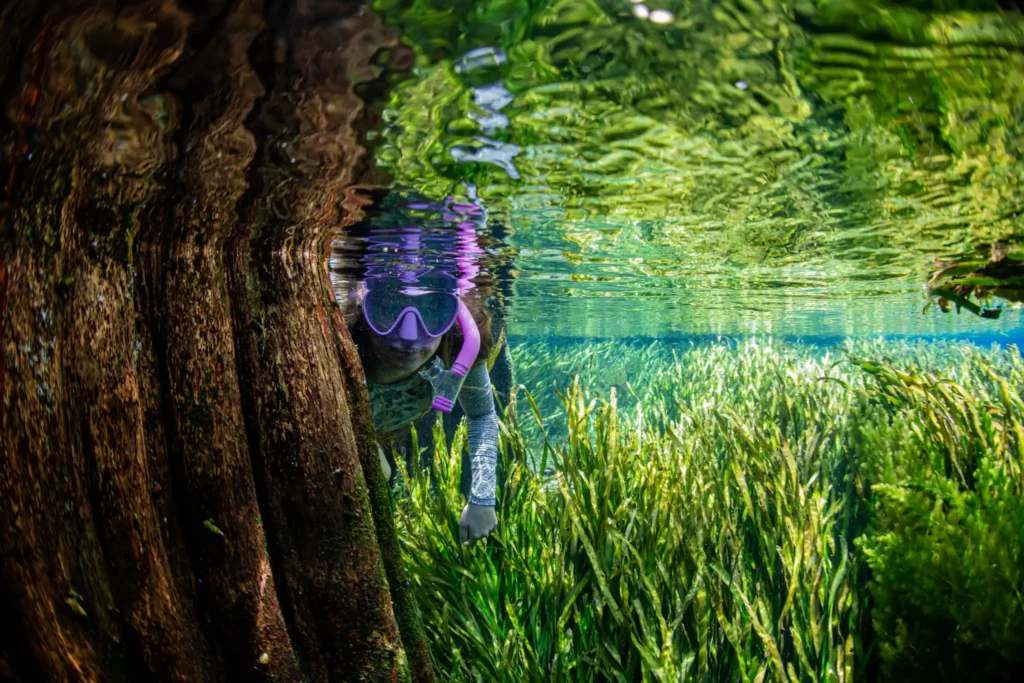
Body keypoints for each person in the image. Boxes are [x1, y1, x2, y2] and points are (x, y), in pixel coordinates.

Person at [335, 189, 508, 547]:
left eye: (432, 311)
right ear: (367, 306)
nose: (410, 336)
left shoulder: (458, 342)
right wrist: (362, 450)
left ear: (453, 312)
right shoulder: (339, 336)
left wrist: (482, 497)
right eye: (389, 307)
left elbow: (482, 416)